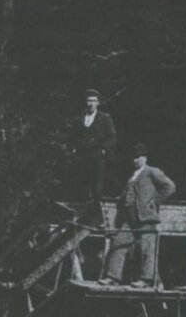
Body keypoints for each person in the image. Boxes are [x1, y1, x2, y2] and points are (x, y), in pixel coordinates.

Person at [104, 143, 177, 288]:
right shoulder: (132, 176)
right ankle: (113, 277)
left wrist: (154, 201)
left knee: (147, 247)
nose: (135, 160)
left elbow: (169, 186)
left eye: (138, 157)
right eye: (133, 158)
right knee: (119, 243)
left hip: (146, 217)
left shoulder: (151, 172)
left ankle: (146, 280)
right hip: (130, 219)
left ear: (145, 158)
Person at [72, 89, 119, 219]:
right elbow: (74, 136)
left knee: (97, 184)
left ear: (98, 103)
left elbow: (112, 137)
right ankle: (83, 212)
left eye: (93, 101)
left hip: (98, 156)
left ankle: (97, 214)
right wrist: (74, 149)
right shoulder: (80, 118)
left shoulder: (104, 118)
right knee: (83, 183)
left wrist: (103, 149)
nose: (90, 104)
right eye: (88, 100)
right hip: (83, 155)